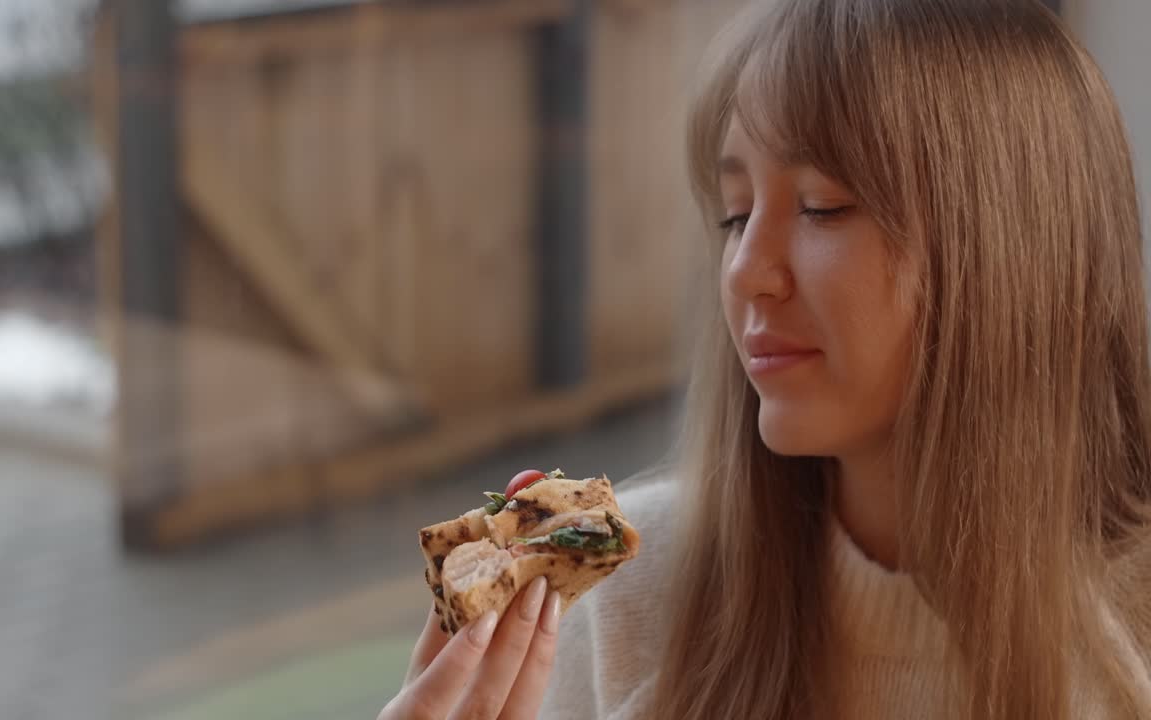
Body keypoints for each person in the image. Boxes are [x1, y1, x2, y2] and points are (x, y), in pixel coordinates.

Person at [379, 0, 1151, 717]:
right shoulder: (626, 605)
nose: (747, 269)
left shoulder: (1125, 662)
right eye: (735, 215)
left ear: (1013, 252)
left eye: (823, 207)